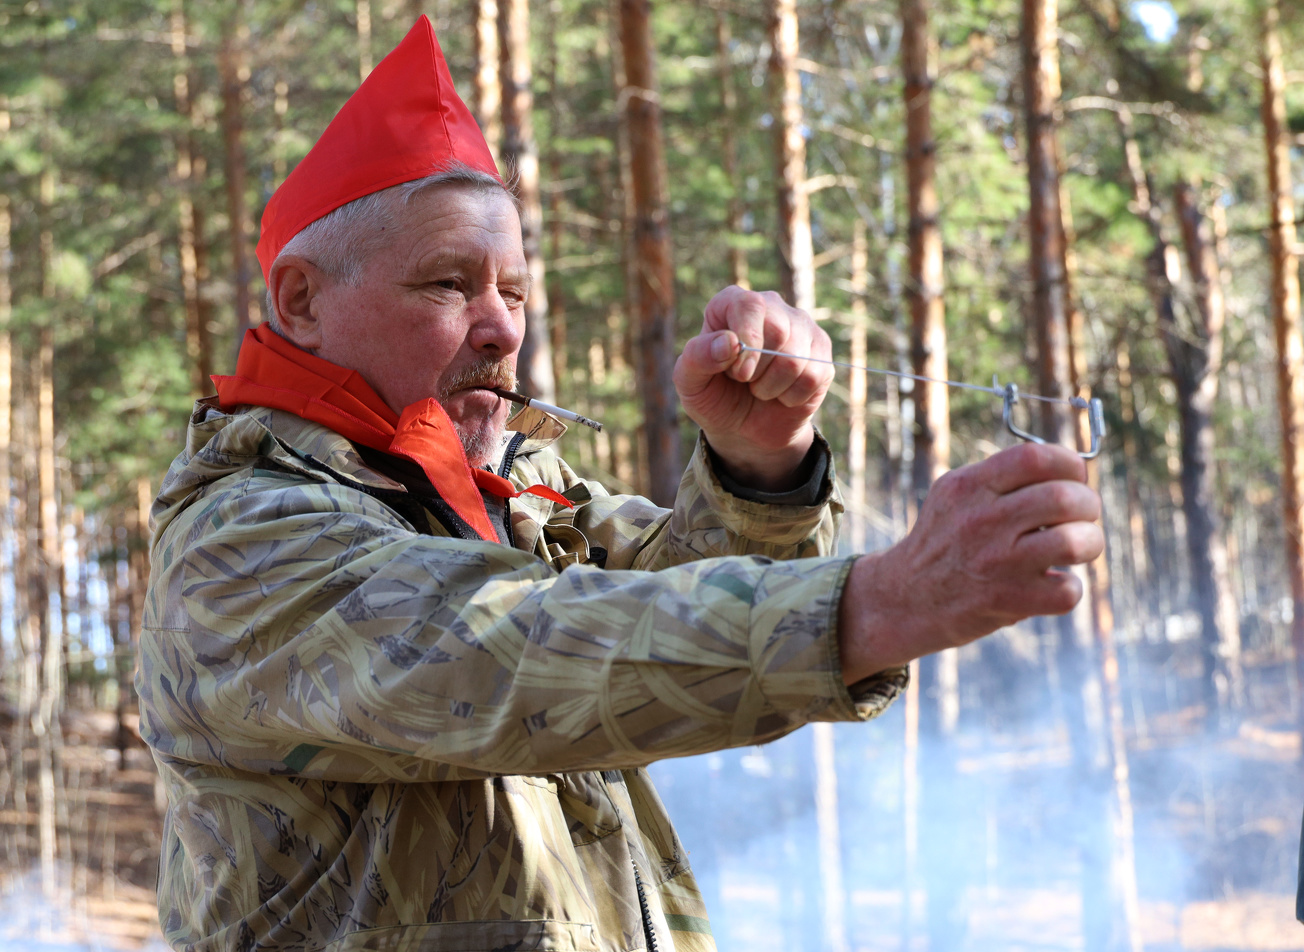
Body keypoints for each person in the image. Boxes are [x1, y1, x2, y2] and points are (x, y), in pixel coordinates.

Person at [136, 17, 1104, 952]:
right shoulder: (242, 537)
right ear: (301, 299)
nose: (501, 328)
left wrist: (755, 467)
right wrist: (887, 598)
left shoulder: (512, 492)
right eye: (447, 284)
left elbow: (673, 596)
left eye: (512, 290)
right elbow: (527, 651)